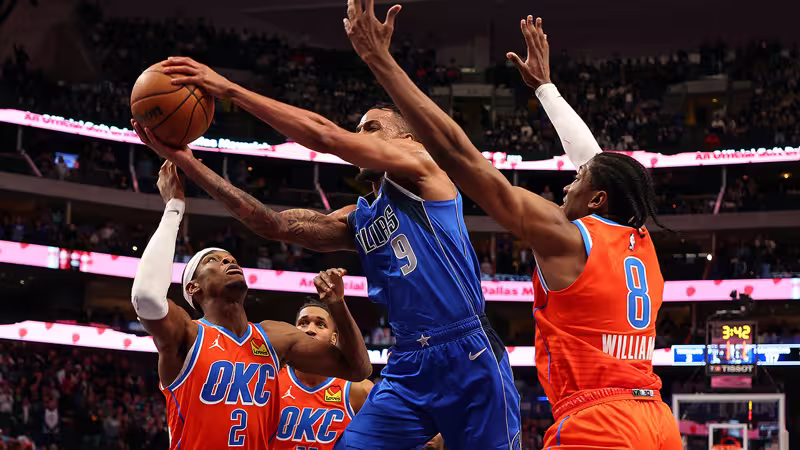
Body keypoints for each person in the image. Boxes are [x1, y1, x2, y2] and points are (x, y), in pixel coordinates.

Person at [131, 54, 521, 449]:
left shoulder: (422, 168)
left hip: (466, 347)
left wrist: (229, 89)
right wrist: (189, 164)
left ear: (406, 140)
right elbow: (273, 225)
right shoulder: (357, 219)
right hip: (408, 360)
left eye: (371, 128)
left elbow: (326, 135)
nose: (360, 134)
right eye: (358, 129)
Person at [343, 4, 681, 449]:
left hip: (600, 421)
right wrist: (546, 89)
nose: (567, 184)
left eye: (576, 179)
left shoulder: (565, 236)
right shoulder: (639, 240)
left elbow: (460, 157)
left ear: (597, 199)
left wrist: (380, 61)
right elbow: (600, 166)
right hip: (656, 419)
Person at [130, 161, 371, 450]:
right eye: (213, 260)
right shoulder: (187, 334)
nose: (228, 261)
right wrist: (173, 208)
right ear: (193, 287)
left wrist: (338, 305)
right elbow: (145, 296)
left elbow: (357, 369)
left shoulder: (273, 337)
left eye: (231, 259)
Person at [274, 299, 374, 449]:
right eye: (303, 323)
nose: (310, 330)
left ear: (334, 338)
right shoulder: (270, 380)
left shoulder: (358, 390)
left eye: (320, 324)